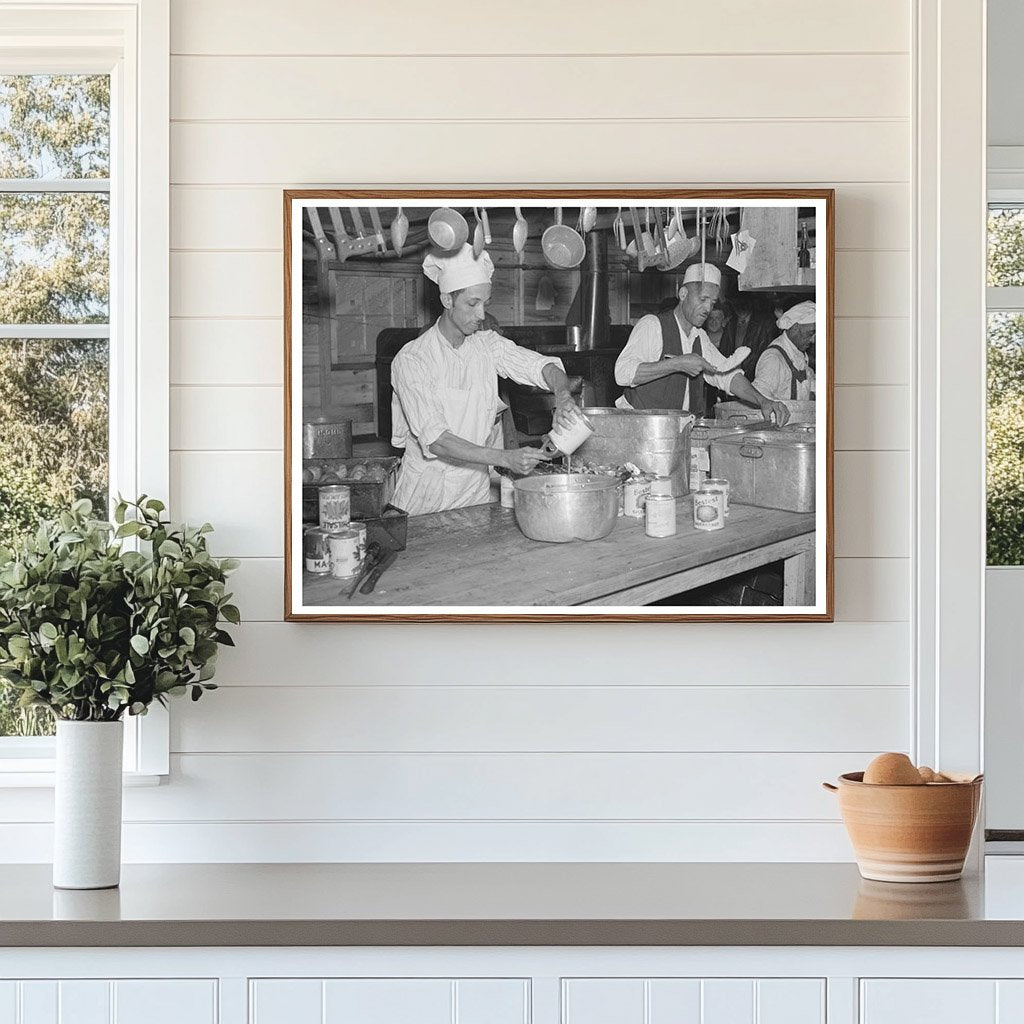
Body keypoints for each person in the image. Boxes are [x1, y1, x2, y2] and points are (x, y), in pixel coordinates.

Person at [391, 243, 580, 515]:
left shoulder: (487, 345)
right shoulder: (413, 359)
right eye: (472, 303)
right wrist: (505, 458)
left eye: (485, 303)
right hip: (426, 494)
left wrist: (562, 396)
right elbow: (438, 441)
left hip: (474, 491)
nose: (482, 315)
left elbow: (543, 367)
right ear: (447, 300)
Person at [614, 263, 790, 425]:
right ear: (683, 294)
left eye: (712, 303)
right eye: (703, 299)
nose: (708, 308)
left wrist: (763, 401)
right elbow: (622, 373)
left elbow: (726, 375)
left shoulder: (700, 337)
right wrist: (678, 363)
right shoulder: (653, 325)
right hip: (641, 427)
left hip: (680, 429)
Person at [753, 300, 817, 402]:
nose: (813, 340)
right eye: (810, 333)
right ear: (795, 327)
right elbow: (760, 398)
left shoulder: (799, 353)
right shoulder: (773, 358)